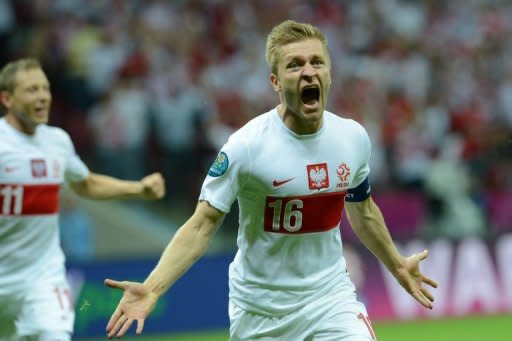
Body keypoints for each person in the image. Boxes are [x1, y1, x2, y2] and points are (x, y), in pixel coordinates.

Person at [105, 20, 437, 340]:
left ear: (329, 73)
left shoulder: (352, 138)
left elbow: (362, 211)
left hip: (330, 299)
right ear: (275, 82)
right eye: (294, 65)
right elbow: (202, 225)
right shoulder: (246, 147)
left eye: (316, 62)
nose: (308, 71)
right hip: (261, 312)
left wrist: (396, 263)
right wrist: (152, 287)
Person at [0, 58, 165, 341]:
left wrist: (138, 188)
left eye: (45, 88)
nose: (42, 96)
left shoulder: (57, 141)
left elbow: (87, 183)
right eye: (31, 90)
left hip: (42, 279)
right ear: (7, 98)